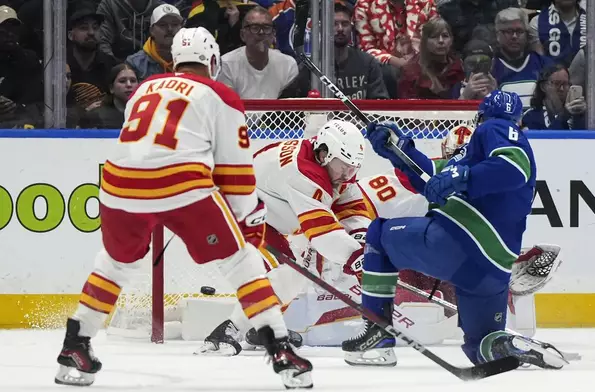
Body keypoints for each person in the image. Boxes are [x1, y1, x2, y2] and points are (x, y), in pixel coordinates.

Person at [54, 27, 312, 390]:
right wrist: (247, 224)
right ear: (212, 60)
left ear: (174, 61)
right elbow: (235, 175)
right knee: (241, 262)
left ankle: (75, 345)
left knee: (114, 264)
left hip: (116, 183)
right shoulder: (221, 93)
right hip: (180, 181)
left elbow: (141, 146)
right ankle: (281, 349)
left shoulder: (143, 88)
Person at [341, 90, 568, 370]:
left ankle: (378, 337)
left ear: (480, 118)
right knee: (481, 345)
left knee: (378, 234)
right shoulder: (472, 159)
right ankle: (508, 346)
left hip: (457, 243)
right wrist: (398, 149)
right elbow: (430, 179)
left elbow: (512, 167)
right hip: (491, 273)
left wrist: (460, 175)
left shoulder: (495, 129)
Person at [195, 119, 371, 356]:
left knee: (297, 272)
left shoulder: (331, 166)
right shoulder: (304, 174)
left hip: (262, 211)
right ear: (325, 154)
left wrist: (363, 244)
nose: (348, 175)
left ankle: (261, 328)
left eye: (353, 168)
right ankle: (229, 330)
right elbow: (323, 235)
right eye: (344, 167)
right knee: (287, 271)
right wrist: (357, 258)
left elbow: (351, 208)